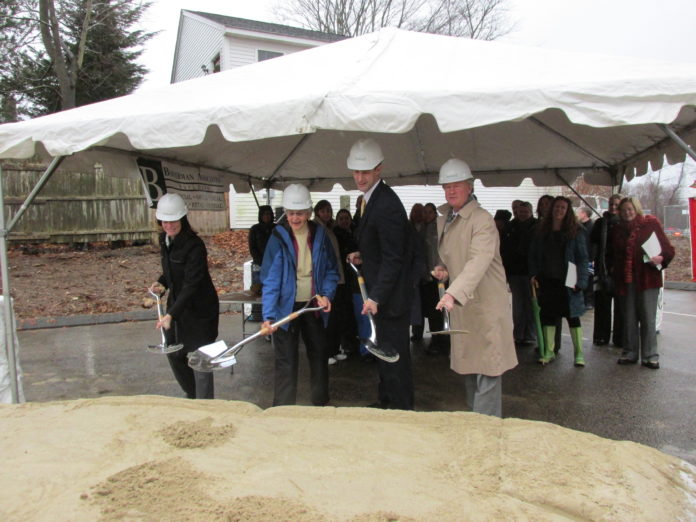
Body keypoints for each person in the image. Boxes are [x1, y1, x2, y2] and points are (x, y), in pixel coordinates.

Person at [432, 158, 518, 417]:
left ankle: (487, 432)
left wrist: (451, 293)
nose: (450, 191)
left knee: (488, 372)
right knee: (470, 370)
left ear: (469, 186)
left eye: (456, 185)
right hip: (464, 306)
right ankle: (475, 424)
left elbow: (478, 262)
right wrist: (442, 268)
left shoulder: (482, 221)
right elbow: (454, 256)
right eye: (446, 186)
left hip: (486, 308)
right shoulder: (447, 218)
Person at [346, 138, 415, 410]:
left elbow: (394, 258)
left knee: (395, 358)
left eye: (366, 172)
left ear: (379, 170)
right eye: (357, 171)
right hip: (385, 297)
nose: (361, 177)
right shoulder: (371, 199)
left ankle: (401, 412)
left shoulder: (385, 203)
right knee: (385, 356)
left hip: (390, 299)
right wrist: (364, 256)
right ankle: (387, 404)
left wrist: (375, 296)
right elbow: (383, 249)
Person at [261, 184, 338, 406]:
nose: (295, 218)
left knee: (319, 356)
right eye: (291, 213)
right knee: (286, 360)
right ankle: (283, 410)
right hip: (285, 308)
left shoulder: (321, 235)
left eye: (300, 213)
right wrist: (268, 315)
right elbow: (270, 280)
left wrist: (326, 294)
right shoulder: (277, 237)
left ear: (309, 212)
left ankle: (320, 404)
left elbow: (331, 271)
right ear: (286, 212)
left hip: (313, 306)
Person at [149, 193, 218, 399]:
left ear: (182, 219)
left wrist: (172, 315)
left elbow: (192, 283)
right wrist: (161, 282)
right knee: (173, 351)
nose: (169, 225)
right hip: (178, 306)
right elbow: (172, 271)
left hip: (200, 309)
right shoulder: (165, 240)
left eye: (173, 220)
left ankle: (205, 403)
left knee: (200, 358)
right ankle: (192, 396)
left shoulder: (195, 245)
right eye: (165, 221)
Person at [608, 197, 674, 369]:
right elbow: (613, 254)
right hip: (626, 281)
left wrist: (660, 258)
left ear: (636, 209)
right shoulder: (617, 229)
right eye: (623, 210)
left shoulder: (650, 224)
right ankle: (629, 352)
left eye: (629, 209)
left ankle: (650, 355)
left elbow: (668, 250)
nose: (626, 213)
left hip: (647, 280)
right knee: (628, 318)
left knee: (647, 318)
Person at [528, 196, 589, 367]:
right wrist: (533, 274)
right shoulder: (541, 230)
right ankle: (549, 351)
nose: (559, 210)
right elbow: (533, 255)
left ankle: (579, 354)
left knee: (573, 316)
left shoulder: (576, 230)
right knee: (548, 315)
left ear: (568, 211)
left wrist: (581, 281)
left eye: (563, 208)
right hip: (547, 279)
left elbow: (583, 258)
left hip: (569, 279)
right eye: (556, 207)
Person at [313, 199, 348, 364]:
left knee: (336, 317)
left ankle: (334, 349)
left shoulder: (329, 228)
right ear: (317, 212)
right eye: (323, 211)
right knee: (326, 317)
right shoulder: (316, 229)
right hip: (325, 279)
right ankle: (325, 353)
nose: (326, 213)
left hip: (337, 277)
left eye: (328, 210)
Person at [500, 201, 537, 346]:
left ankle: (530, 333)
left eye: (525, 211)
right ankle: (518, 333)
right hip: (514, 271)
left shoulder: (536, 226)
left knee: (530, 303)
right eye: (519, 211)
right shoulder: (510, 226)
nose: (522, 214)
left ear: (530, 212)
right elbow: (504, 249)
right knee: (517, 305)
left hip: (529, 272)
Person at [590, 194, 623, 346]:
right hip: (602, 269)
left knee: (621, 307)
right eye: (611, 204)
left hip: (620, 271)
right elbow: (592, 243)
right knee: (602, 305)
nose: (613, 207)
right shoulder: (600, 223)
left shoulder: (625, 224)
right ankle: (601, 336)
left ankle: (620, 338)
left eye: (616, 204)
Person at [420, 202, 448, 355]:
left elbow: (438, 253)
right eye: (425, 212)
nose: (427, 215)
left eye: (430, 212)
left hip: (438, 277)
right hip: (428, 278)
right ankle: (437, 340)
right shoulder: (422, 229)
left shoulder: (438, 228)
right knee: (433, 313)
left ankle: (442, 341)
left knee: (440, 311)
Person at [248, 205, 275, 320]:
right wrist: (261, 261)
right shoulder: (255, 229)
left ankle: (271, 317)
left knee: (272, 292)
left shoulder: (277, 228)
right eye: (264, 214)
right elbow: (252, 247)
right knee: (258, 291)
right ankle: (258, 315)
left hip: (274, 265)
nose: (266, 217)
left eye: (268, 214)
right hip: (259, 264)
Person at [576, 206, 595, 309]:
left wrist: (593, 258)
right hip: (580, 258)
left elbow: (593, 244)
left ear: (584, 214)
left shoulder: (591, 226)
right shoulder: (578, 226)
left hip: (589, 258)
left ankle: (589, 301)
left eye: (578, 212)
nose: (577, 214)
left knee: (589, 279)